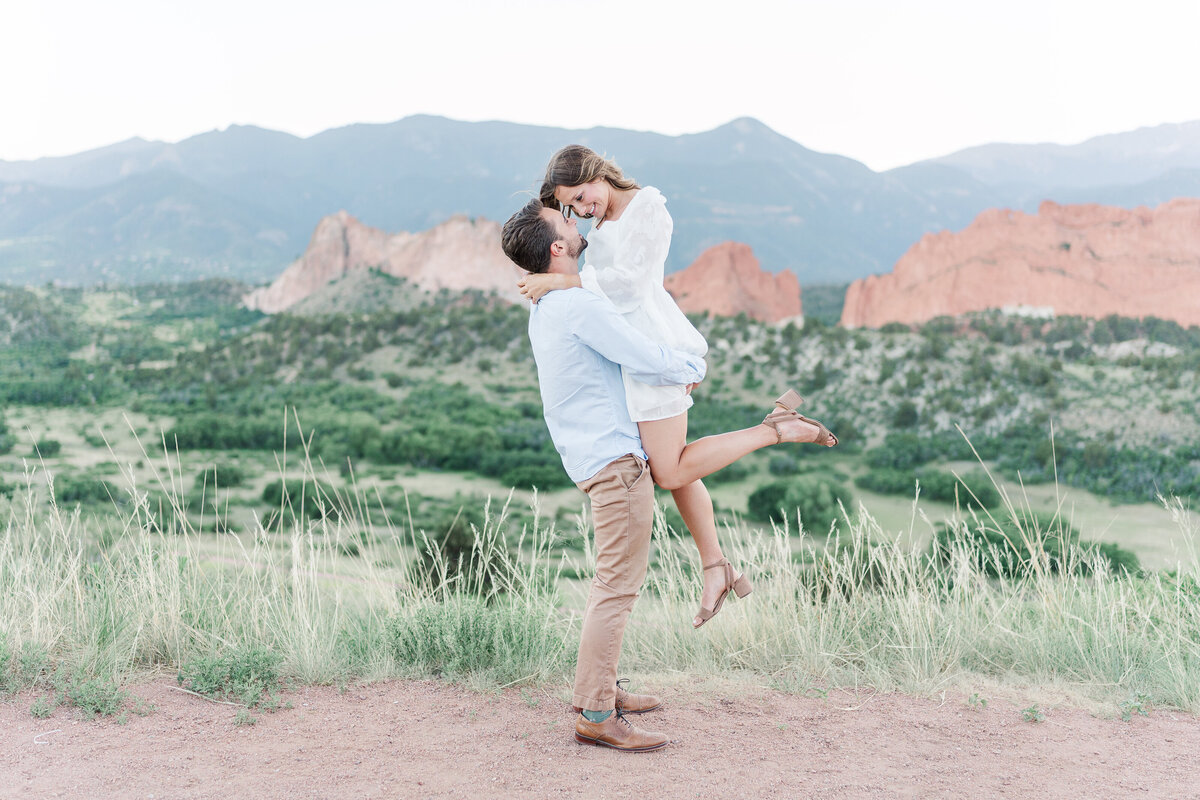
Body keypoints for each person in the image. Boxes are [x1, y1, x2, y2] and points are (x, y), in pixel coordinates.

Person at [500, 198, 832, 752]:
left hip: (597, 457)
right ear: (556, 248)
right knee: (616, 588)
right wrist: (692, 369)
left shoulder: (552, 305)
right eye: (567, 222)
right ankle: (596, 714)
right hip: (616, 466)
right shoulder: (576, 307)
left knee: (613, 581)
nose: (577, 223)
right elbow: (643, 354)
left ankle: (599, 691)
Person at [519, 145, 837, 629]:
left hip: (653, 352)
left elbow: (628, 286)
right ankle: (716, 566)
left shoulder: (648, 209)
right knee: (674, 464)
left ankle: (776, 430)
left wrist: (562, 284)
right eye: (572, 208)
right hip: (632, 356)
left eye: (583, 197)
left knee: (669, 471)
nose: (582, 211)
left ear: (597, 173)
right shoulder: (603, 223)